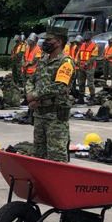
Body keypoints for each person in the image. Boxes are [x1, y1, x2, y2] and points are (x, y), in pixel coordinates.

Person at [28, 26, 75, 162]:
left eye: (49, 40)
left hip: (55, 118)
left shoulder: (65, 62)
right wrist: (30, 94)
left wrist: (35, 95)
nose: (45, 43)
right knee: (38, 157)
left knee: (56, 159)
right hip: (39, 114)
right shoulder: (43, 60)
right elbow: (31, 79)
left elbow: (60, 86)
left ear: (59, 42)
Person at [74, 32, 99, 103]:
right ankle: (81, 98)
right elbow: (79, 56)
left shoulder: (94, 46)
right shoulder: (82, 45)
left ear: (90, 38)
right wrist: (78, 63)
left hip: (90, 67)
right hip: (81, 67)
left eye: (87, 39)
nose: (86, 41)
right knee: (81, 83)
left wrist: (86, 63)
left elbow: (93, 57)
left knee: (90, 83)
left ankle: (92, 97)